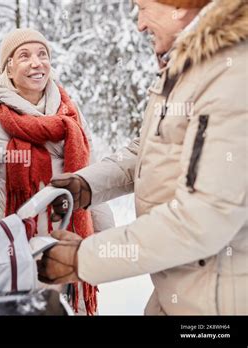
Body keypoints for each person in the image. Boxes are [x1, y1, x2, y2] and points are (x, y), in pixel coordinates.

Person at [38, 0, 248, 315]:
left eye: (145, 7)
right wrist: (87, 184)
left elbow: (203, 218)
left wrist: (84, 259)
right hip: (179, 287)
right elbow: (148, 148)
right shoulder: (189, 68)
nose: (139, 24)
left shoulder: (232, 77)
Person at [0, 28, 115, 314]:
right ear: (8, 67)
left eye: (42, 54)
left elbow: (90, 179)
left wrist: (104, 240)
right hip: (16, 253)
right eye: (24, 55)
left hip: (67, 248)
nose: (36, 63)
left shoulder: (70, 117)